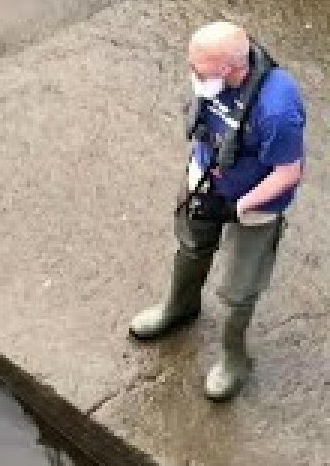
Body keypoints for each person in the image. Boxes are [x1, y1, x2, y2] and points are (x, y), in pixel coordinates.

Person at [129, 21, 307, 401]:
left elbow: (289, 172)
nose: (192, 74)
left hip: (252, 203)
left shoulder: (277, 108)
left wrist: (240, 205)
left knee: (239, 289)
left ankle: (233, 357)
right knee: (191, 247)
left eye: (199, 69)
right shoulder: (213, 79)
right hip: (207, 180)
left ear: (229, 68)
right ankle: (179, 307)